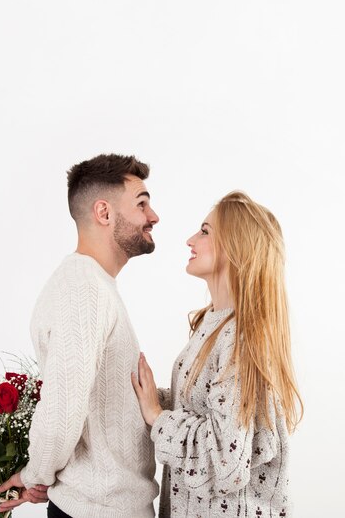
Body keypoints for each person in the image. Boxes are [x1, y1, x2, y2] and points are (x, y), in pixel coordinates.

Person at [0, 153, 160, 518]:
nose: (153, 216)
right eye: (142, 203)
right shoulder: (83, 289)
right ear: (104, 213)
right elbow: (62, 408)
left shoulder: (93, 285)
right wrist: (36, 474)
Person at [132, 191, 303, 517]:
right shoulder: (215, 322)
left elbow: (227, 461)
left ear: (235, 246)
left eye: (205, 231)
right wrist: (153, 397)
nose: (190, 239)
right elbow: (208, 410)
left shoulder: (241, 338)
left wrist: (157, 415)